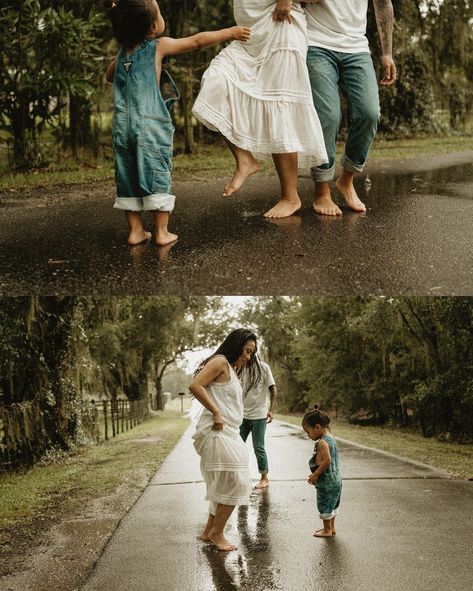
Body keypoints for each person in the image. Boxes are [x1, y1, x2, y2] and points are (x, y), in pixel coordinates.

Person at [106, 0, 250, 245]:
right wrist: (230, 32)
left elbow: (110, 76)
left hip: (122, 129)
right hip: (151, 127)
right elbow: (196, 41)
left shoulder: (121, 56)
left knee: (127, 176)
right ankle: (162, 232)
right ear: (152, 28)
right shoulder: (157, 46)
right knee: (157, 173)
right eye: (159, 12)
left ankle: (135, 231)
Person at [192, 1, 328, 219]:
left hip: (281, 26)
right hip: (249, 34)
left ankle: (290, 197)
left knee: (279, 105)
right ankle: (244, 159)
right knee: (216, 81)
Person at [280, 0, 396, 216]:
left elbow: (383, 4)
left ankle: (347, 180)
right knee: (329, 116)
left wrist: (387, 52)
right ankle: (322, 190)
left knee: (369, 113)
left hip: (357, 48)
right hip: (316, 43)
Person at [189, 328, 262, 552]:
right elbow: (195, 385)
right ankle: (217, 532)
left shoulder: (230, 369)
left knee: (223, 481)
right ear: (236, 345)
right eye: (246, 351)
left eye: (251, 353)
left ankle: (208, 530)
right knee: (237, 480)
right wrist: (217, 412)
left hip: (229, 431)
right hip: (217, 430)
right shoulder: (220, 361)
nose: (248, 357)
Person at [302, 404, 342, 538]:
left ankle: (327, 530)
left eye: (308, 432)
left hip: (327, 482)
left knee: (325, 504)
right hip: (337, 480)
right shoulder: (330, 437)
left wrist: (315, 475)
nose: (308, 435)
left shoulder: (322, 442)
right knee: (332, 504)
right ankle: (332, 527)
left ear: (317, 427)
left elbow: (327, 461)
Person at [240, 358, 277, 489]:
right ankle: (241, 476)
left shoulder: (264, 367)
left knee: (258, 447)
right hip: (242, 415)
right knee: (237, 446)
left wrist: (271, 410)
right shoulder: (241, 367)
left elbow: (273, 389)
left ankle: (264, 478)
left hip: (259, 416)